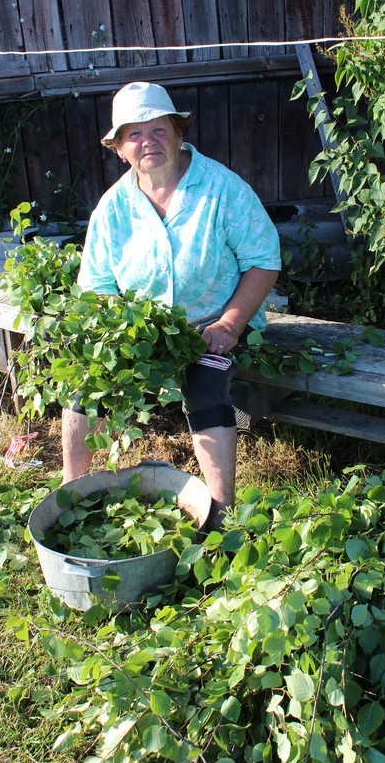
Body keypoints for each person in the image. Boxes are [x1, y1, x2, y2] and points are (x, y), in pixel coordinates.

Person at [61, 81, 281, 529]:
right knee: (85, 391)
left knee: (204, 386)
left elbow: (263, 262)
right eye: (134, 135)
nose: (148, 143)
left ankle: (220, 516)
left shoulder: (221, 189)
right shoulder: (113, 209)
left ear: (179, 133)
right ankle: (70, 500)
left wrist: (230, 323)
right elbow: (97, 287)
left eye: (158, 130)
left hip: (212, 326)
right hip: (141, 332)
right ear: (120, 149)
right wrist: (119, 335)